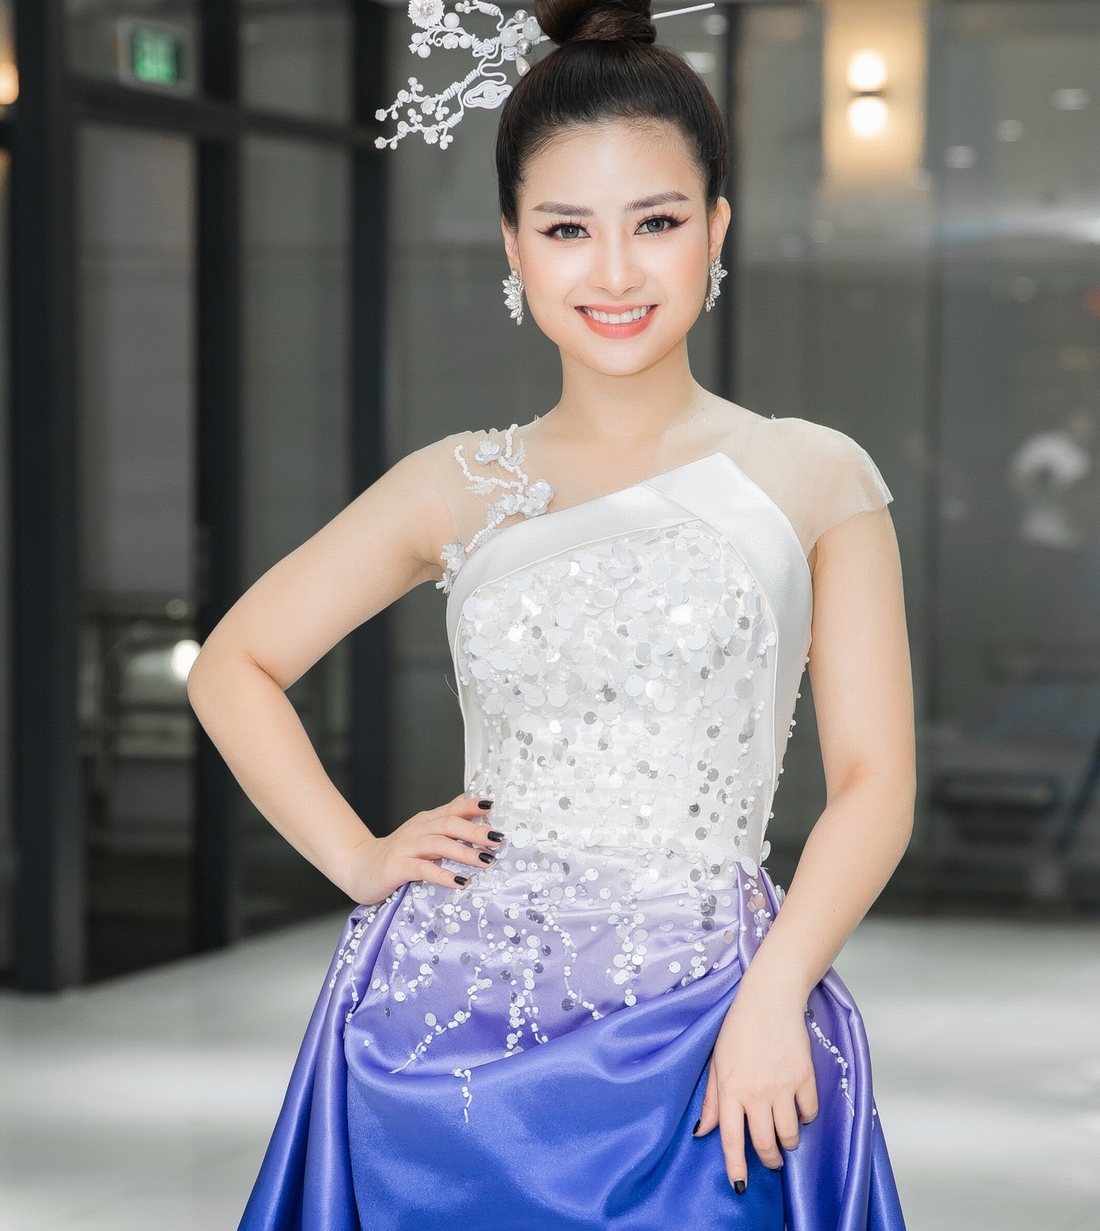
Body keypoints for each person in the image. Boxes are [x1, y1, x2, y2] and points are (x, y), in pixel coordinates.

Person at [187, 0, 914, 1226]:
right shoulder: (454, 483)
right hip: (435, 1040)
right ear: (512, 246)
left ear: (715, 229)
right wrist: (358, 858)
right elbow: (233, 665)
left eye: (656, 222)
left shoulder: (811, 473)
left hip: (714, 1018)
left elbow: (872, 781)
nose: (614, 271)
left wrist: (776, 991)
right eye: (566, 227)